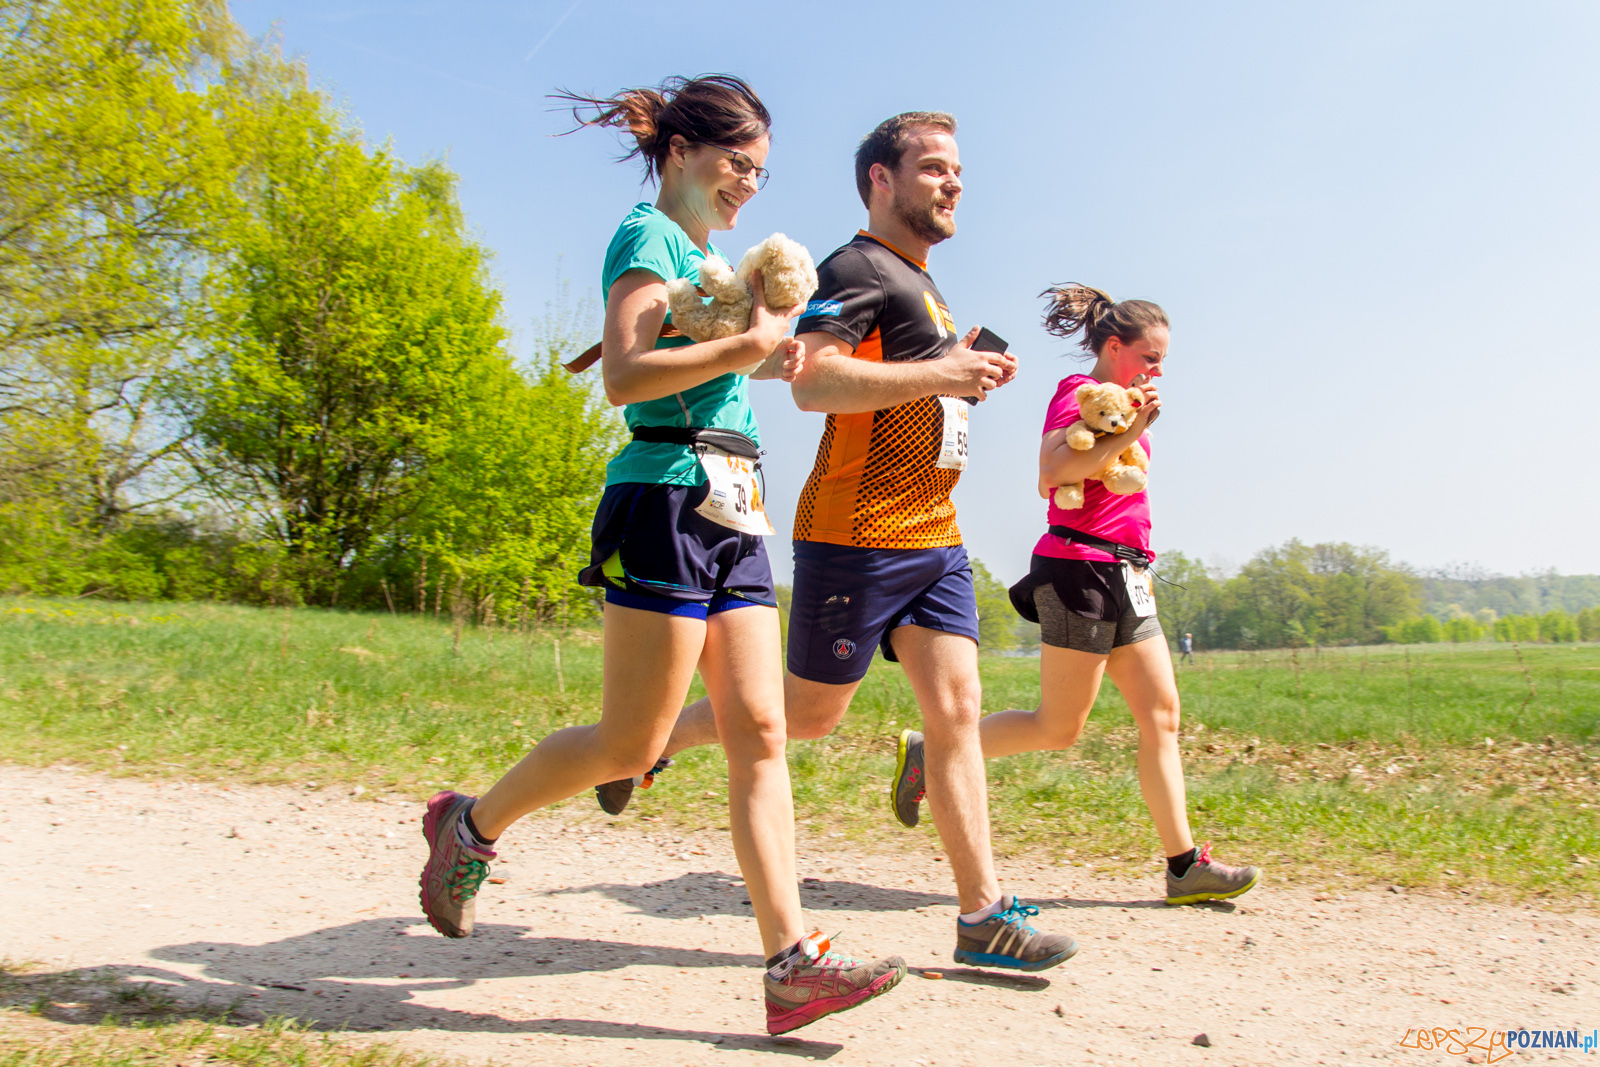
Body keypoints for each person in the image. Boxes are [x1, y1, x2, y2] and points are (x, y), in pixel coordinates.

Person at [417, 75, 906, 1036]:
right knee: (630, 744)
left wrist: (781, 353)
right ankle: (466, 827)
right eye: (738, 163)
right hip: (666, 496)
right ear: (682, 148)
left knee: (760, 729)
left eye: (761, 172)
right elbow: (629, 376)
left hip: (738, 497)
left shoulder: (712, 257)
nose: (749, 186)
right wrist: (747, 346)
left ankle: (790, 965)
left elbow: (728, 356)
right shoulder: (644, 237)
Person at [597, 111, 1079, 973]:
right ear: (881, 182)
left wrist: (960, 372)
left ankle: (983, 916)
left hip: (933, 533)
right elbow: (811, 381)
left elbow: (903, 390)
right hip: (856, 533)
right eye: (932, 168)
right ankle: (658, 739)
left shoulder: (922, 282)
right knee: (808, 715)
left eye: (958, 169)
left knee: (958, 712)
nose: (954, 182)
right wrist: (943, 373)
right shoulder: (855, 266)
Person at [893, 286, 1260, 907]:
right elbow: (1053, 474)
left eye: (1162, 361)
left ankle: (1182, 865)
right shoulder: (1076, 396)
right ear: (1114, 348)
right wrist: (1135, 427)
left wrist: (1136, 423)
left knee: (1161, 715)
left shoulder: (1128, 403)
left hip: (1129, 576)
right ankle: (935, 751)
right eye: (1150, 357)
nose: (1158, 371)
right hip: (1077, 574)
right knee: (1059, 726)